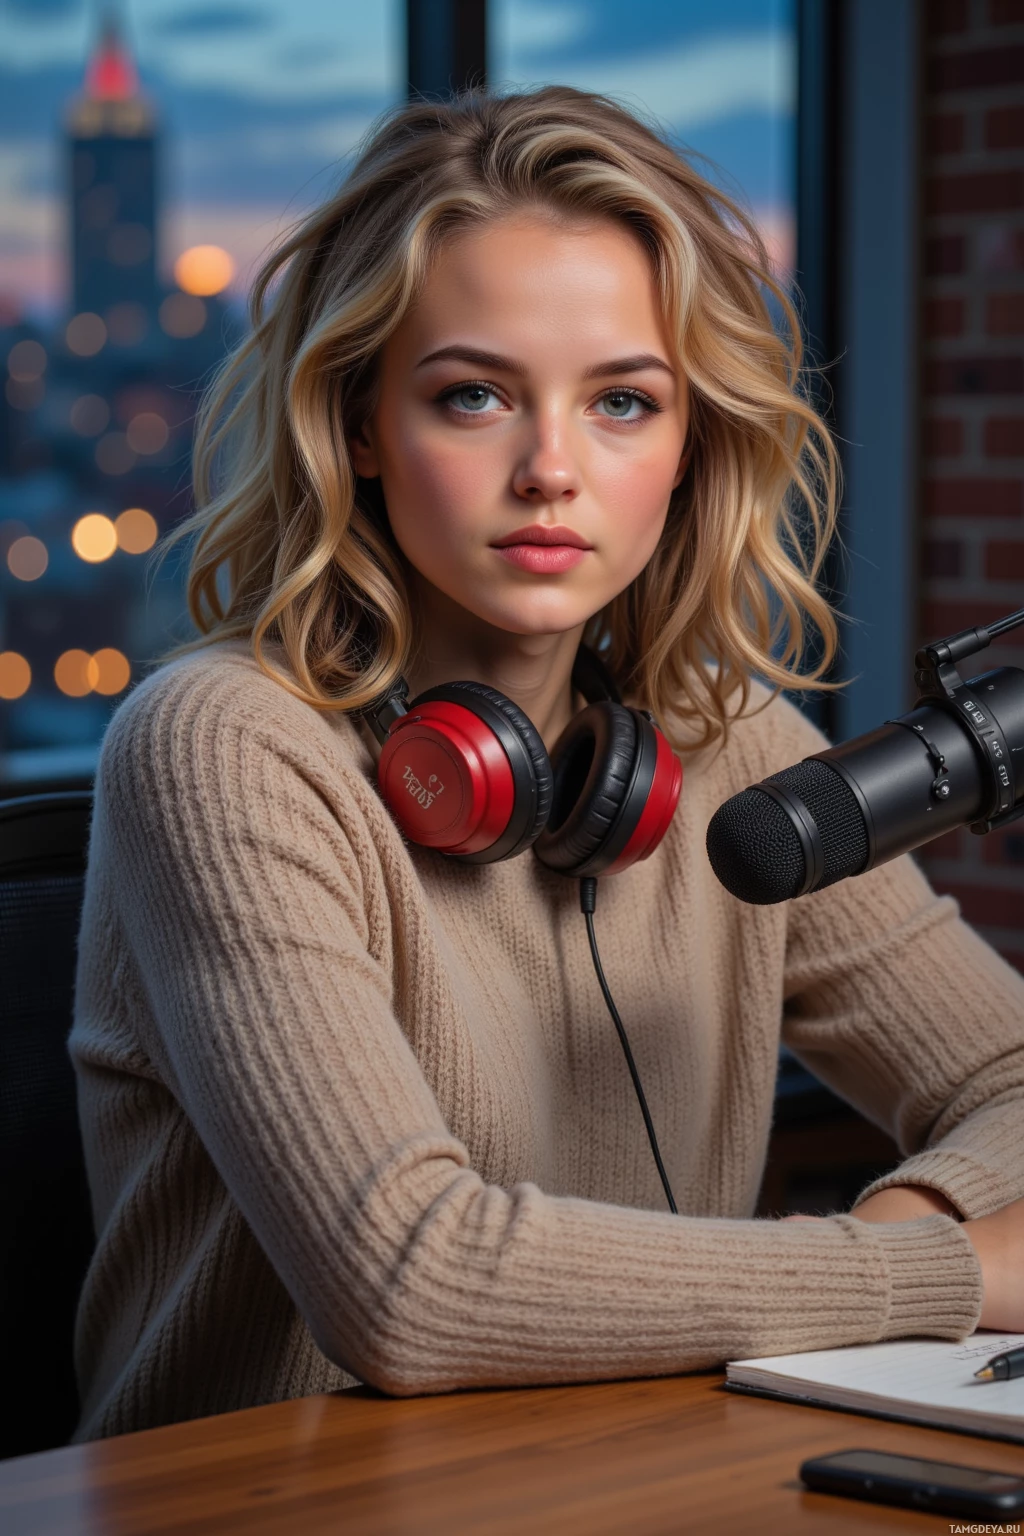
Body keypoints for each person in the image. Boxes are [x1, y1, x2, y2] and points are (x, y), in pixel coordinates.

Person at [70, 88, 1024, 1443]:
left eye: (624, 401)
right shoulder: (224, 745)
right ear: (356, 425)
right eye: (474, 395)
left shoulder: (726, 741)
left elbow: (1015, 1075)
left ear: (692, 446)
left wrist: (921, 1221)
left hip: (638, 1487)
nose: (552, 470)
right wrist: (943, 1276)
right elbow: (409, 1279)